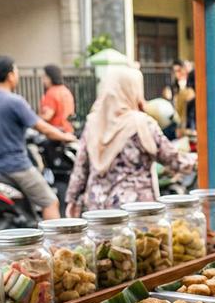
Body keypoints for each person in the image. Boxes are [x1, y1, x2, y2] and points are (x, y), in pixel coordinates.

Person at [66, 68, 191, 213]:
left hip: (98, 212)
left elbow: (80, 168)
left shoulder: (93, 123)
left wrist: (72, 200)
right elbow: (172, 158)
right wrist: (197, 161)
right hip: (136, 211)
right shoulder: (142, 123)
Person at [0, 54, 76, 221]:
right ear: (10, 75)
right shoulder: (15, 101)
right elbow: (43, 127)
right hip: (15, 166)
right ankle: (54, 238)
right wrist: (65, 137)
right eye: (16, 71)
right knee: (50, 202)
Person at [38, 64, 75, 134]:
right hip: (69, 130)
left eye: (44, 77)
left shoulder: (51, 93)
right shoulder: (66, 90)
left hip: (56, 132)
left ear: (50, 77)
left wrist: (34, 118)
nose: (43, 81)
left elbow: (47, 116)